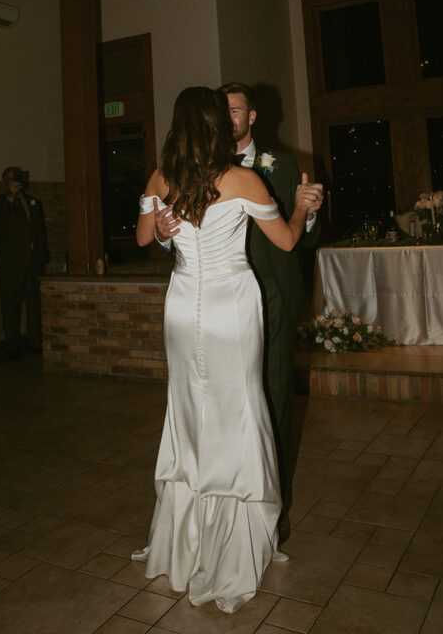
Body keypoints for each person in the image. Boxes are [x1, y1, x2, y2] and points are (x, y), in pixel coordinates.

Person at [133, 86, 322, 613]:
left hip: (181, 304)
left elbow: (145, 238)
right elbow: (286, 241)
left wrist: (167, 227)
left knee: (189, 411)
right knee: (237, 409)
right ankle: (233, 539)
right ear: (219, 125)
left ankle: (186, 536)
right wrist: (303, 208)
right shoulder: (243, 178)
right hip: (231, 307)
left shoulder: (161, 177)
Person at [0, 167, 49, 358]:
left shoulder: (34, 202)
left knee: (34, 303)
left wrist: (43, 254)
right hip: (11, 262)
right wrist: (10, 197)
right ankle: (11, 342)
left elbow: (40, 230)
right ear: (5, 182)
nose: (15, 182)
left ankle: (34, 340)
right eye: (11, 179)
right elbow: (2, 224)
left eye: (18, 178)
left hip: (32, 260)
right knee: (10, 303)